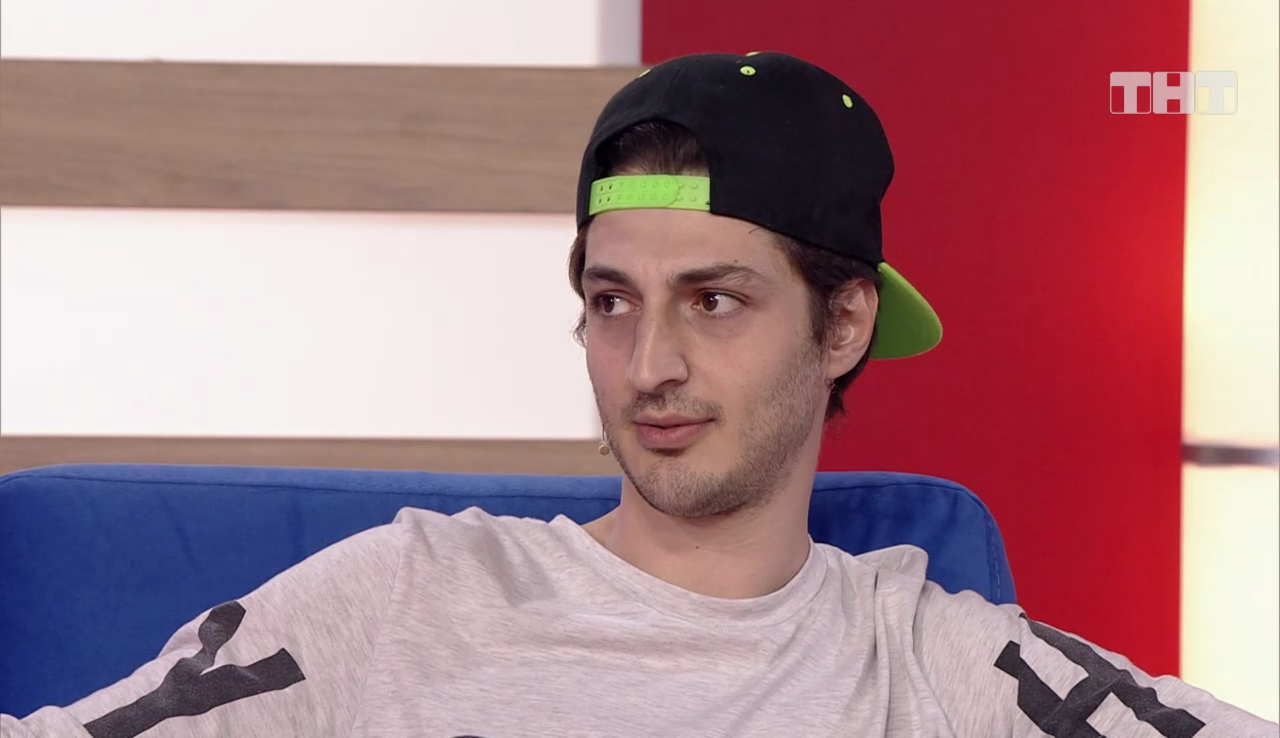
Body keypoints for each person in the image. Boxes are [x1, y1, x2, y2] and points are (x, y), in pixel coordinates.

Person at [3, 51, 1274, 738]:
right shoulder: (399, 596)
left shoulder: (941, 658)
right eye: (613, 301)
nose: (647, 364)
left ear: (840, 324)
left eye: (712, 300)